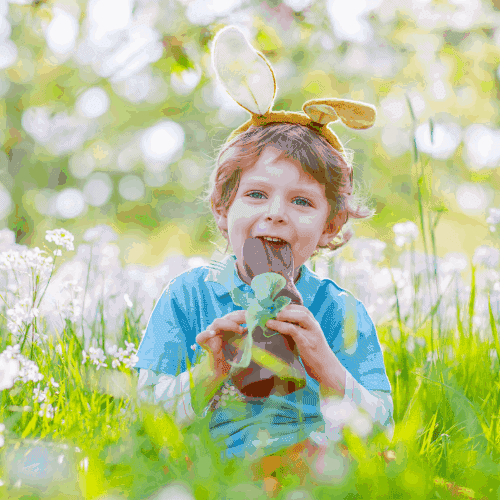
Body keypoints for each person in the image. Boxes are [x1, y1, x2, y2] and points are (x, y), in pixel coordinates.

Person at [133, 26, 393, 467]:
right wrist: (210, 371)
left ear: (330, 225)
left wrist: (323, 361)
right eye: (256, 194)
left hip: (323, 465)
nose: (276, 213)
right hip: (222, 469)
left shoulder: (339, 312)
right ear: (222, 209)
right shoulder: (190, 296)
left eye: (301, 201)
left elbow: (381, 428)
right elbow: (144, 418)